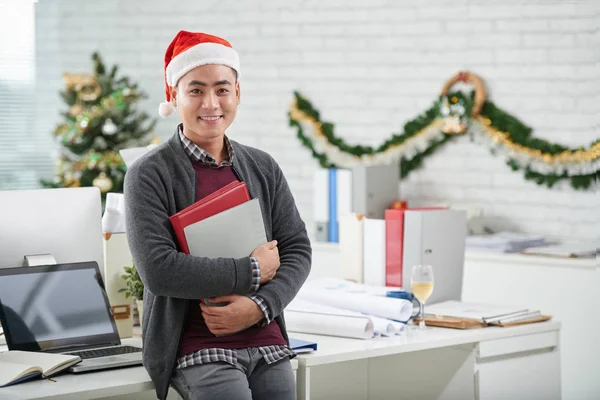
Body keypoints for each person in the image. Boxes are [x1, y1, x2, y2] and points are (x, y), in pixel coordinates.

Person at [124, 30, 312, 400]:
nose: (211, 103)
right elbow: (158, 270)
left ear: (237, 94)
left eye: (222, 89)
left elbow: (297, 249)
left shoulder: (262, 166)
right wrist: (251, 271)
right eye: (196, 90)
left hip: (266, 335)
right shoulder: (149, 173)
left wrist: (259, 305)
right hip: (197, 346)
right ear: (173, 96)